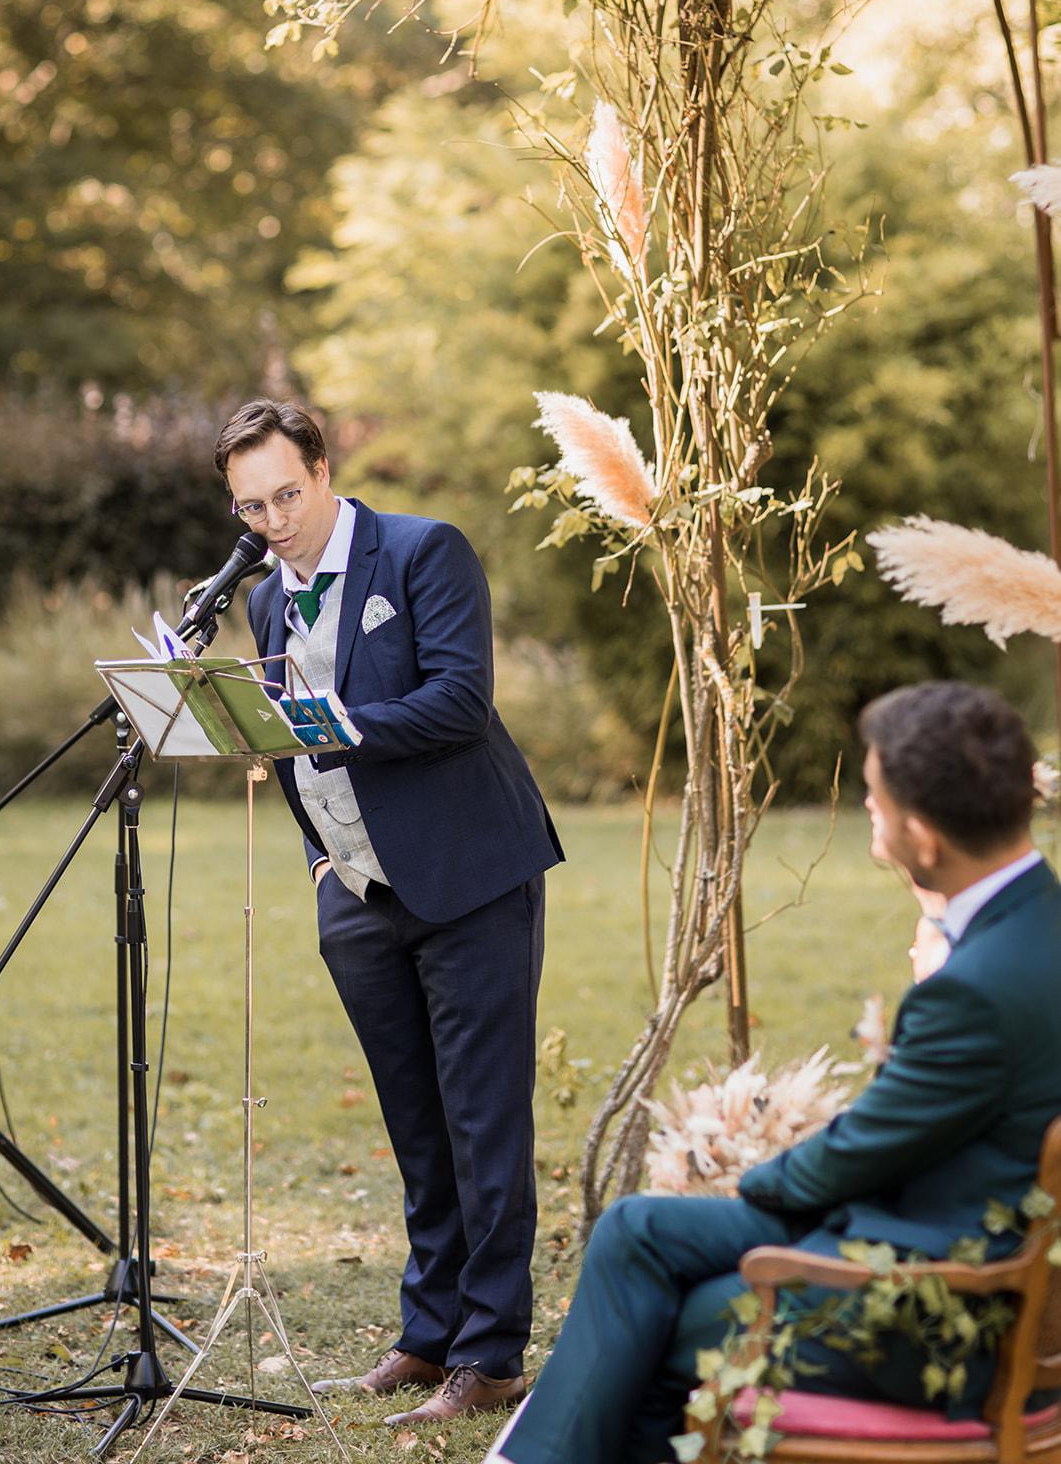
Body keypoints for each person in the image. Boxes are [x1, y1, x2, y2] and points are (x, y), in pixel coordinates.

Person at [486, 680, 1061, 1464]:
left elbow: (858, 1153)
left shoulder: (976, 988)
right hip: (944, 1229)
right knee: (633, 1230)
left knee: (662, 1317)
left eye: (872, 798)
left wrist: (751, 1178)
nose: (866, 809)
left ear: (921, 838)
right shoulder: (1033, 924)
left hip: (932, 1305)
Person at [212, 399, 564, 1423]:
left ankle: (491, 1355)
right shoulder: (265, 603)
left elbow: (460, 700)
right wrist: (323, 867)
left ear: (321, 468)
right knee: (415, 1123)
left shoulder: (421, 553)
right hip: (357, 895)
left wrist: (331, 724)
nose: (272, 518)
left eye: (285, 491)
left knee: (480, 1119)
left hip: (468, 877)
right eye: (250, 505)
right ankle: (427, 1331)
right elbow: (285, 749)